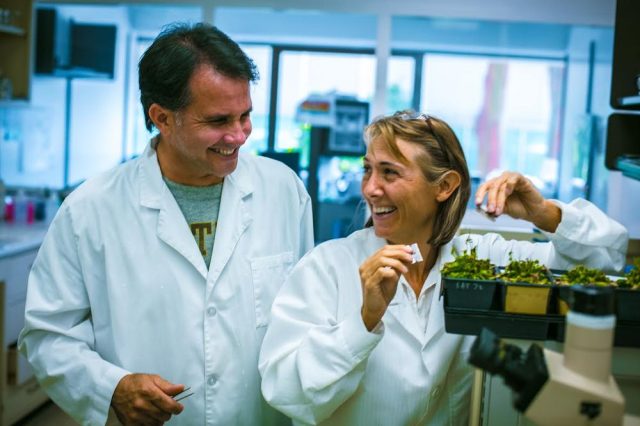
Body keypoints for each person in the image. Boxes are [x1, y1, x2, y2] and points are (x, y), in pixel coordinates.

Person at [19, 23, 313, 425]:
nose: (239, 135)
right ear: (162, 117)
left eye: (245, 116)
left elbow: (308, 313)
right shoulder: (90, 209)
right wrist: (112, 387)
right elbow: (48, 336)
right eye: (218, 120)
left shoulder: (283, 190)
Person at [258, 110, 628, 425]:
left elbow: (603, 260)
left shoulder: (481, 262)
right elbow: (287, 392)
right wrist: (364, 321)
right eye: (368, 170)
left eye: (390, 173)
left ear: (445, 186)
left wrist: (543, 213)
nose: (370, 188)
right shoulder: (327, 267)